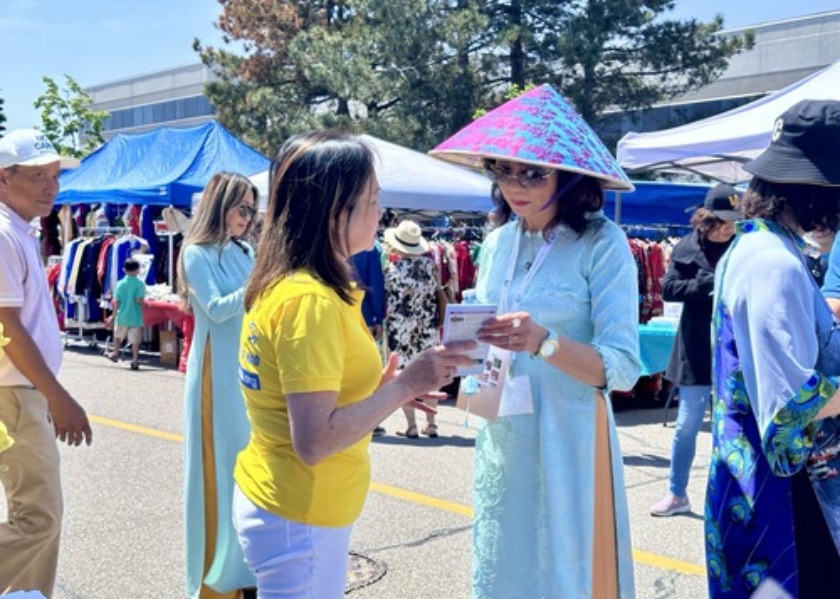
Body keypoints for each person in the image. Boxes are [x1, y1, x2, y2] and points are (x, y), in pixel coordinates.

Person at [231, 130, 474, 599]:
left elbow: (315, 397)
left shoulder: (296, 285)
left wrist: (383, 392)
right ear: (334, 210)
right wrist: (403, 387)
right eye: (372, 199)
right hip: (301, 512)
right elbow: (315, 440)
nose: (381, 212)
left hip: (291, 507)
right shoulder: (310, 300)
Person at [431, 84, 642, 598]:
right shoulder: (498, 240)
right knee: (506, 556)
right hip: (503, 425)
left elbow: (623, 366)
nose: (514, 184)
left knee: (566, 563)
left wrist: (544, 341)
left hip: (569, 434)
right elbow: (484, 331)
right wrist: (453, 359)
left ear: (568, 177)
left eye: (533, 172)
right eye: (503, 169)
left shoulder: (602, 243)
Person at [705, 100, 840, 598]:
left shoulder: (755, 245)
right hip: (783, 501)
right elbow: (790, 411)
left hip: (750, 482)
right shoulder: (773, 262)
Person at [0, 129, 93, 597]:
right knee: (38, 520)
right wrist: (58, 397)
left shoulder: (20, 229)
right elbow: (7, 329)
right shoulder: (2, 233)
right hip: (17, 391)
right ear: (2, 179)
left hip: (23, 388)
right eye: (36, 176)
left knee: (40, 521)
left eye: (54, 176)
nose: (50, 186)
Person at [178, 172, 259, 599]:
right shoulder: (196, 253)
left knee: (247, 473)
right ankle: (214, 583)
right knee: (218, 473)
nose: (248, 217)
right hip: (216, 375)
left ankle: (246, 573)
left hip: (249, 374)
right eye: (241, 208)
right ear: (219, 205)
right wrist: (261, 283)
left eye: (252, 209)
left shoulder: (245, 250)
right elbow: (216, 309)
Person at [649, 184, 740, 517]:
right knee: (687, 424)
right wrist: (709, 284)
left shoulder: (742, 246)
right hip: (696, 348)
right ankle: (677, 493)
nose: (729, 229)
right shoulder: (687, 247)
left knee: (731, 427)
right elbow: (669, 289)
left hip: (735, 351)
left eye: (733, 222)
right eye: (722, 223)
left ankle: (730, 497)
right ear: (706, 220)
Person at [383, 219, 442, 438]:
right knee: (430, 375)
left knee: (405, 377)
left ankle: (411, 426)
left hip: (402, 330)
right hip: (427, 327)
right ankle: (432, 423)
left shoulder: (391, 270)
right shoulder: (431, 267)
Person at [106, 257, 146, 370]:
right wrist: (145, 304)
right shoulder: (140, 284)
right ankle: (135, 360)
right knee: (135, 341)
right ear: (138, 270)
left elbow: (116, 302)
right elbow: (139, 300)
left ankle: (115, 353)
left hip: (122, 316)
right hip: (135, 317)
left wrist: (113, 316)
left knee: (118, 336)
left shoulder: (120, 284)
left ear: (124, 270)